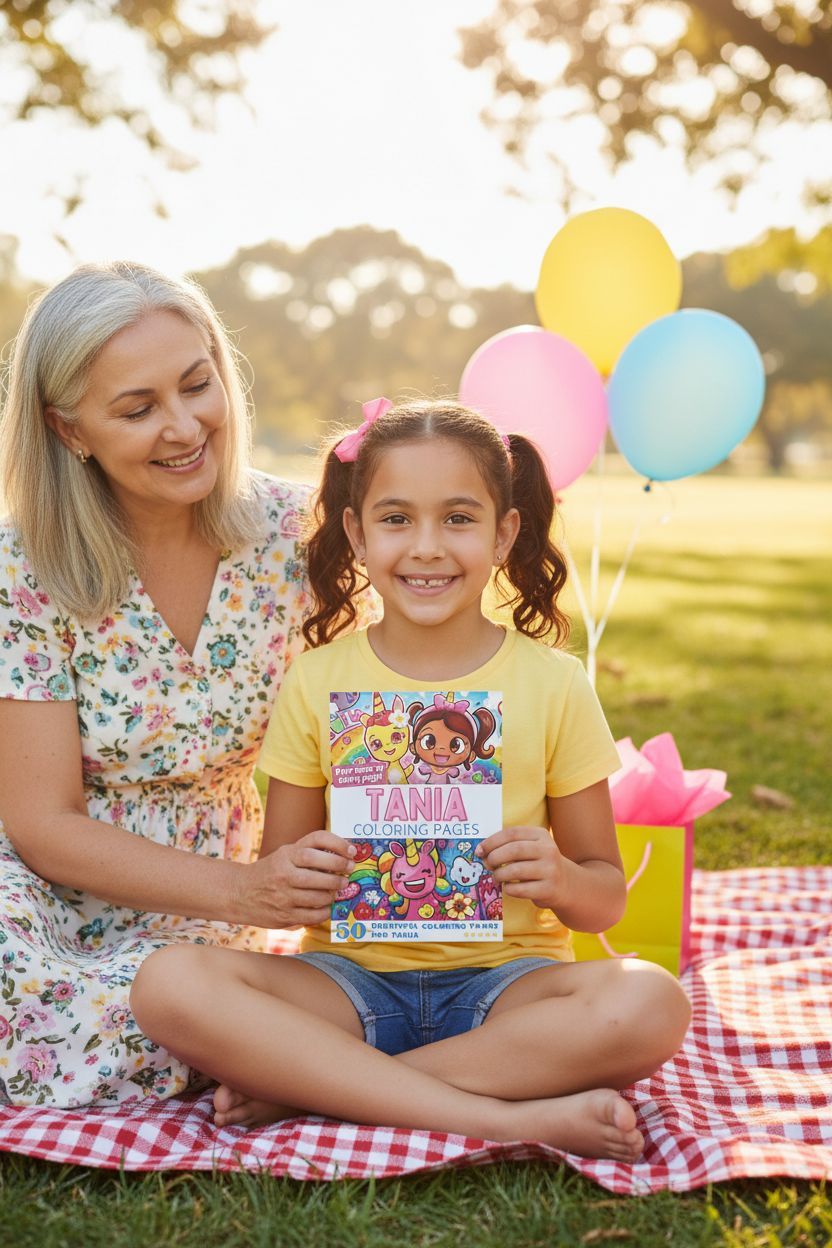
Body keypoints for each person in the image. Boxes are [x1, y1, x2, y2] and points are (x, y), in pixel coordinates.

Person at [131, 398, 691, 1159]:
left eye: (458, 518)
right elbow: (278, 874)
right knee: (167, 983)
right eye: (397, 519)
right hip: (346, 981)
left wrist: (556, 873)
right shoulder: (317, 680)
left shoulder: (555, 684)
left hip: (510, 989)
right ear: (358, 534)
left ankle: (323, 1089)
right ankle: (508, 1117)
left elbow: (606, 897)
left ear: (504, 534)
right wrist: (305, 871)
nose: (427, 547)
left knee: (651, 1001)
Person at [0, 261, 356, 1108]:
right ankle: (279, 1056)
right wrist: (250, 891)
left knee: (179, 999)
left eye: (198, 385)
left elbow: (377, 714)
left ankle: (282, 1053)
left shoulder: (300, 535)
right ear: (69, 429)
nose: (185, 425)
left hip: (201, 894)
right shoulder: (24, 566)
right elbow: (43, 825)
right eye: (138, 408)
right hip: (45, 885)